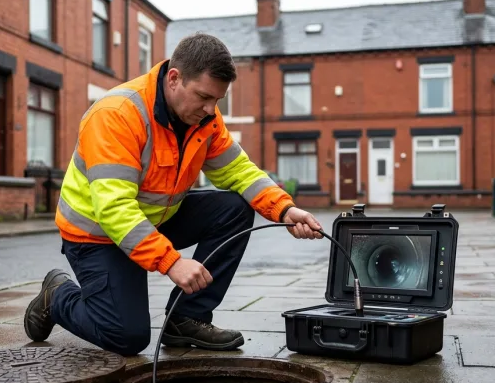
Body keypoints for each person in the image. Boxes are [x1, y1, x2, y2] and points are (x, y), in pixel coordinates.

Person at [23, 33, 324, 356]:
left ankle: (187, 318)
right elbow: (114, 209)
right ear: (174, 78)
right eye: (204, 97)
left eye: (217, 101)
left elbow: (238, 170)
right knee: (127, 337)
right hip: (97, 234)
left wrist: (284, 209)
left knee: (235, 208)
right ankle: (57, 295)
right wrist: (171, 262)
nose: (211, 110)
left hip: (155, 219)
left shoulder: (204, 119)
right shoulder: (116, 115)